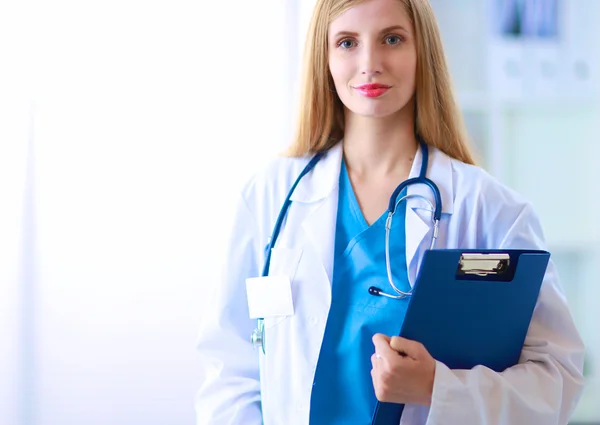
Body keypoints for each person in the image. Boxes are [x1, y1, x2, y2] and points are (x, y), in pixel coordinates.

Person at [194, 0, 585, 423]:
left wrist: (437, 387)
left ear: (423, 53)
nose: (370, 63)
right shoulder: (271, 196)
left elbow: (556, 379)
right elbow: (229, 370)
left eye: (392, 39)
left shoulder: (491, 211)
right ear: (323, 58)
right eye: (347, 42)